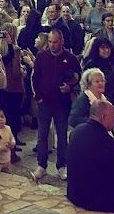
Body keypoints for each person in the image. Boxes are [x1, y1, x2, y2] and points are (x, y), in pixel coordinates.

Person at [31, 27, 80, 181]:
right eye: (50, 42)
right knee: (42, 135)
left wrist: (70, 87)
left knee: (62, 135)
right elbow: (35, 78)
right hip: (44, 102)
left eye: (55, 42)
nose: (52, 45)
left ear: (62, 42)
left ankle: (61, 165)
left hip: (62, 104)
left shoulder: (70, 58)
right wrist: (38, 96)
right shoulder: (41, 56)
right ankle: (41, 165)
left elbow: (79, 77)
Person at [68, 98, 114, 211]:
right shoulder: (111, 145)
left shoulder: (75, 132)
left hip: (75, 193)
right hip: (98, 200)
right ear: (103, 117)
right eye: (113, 115)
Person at [0, 107, 15, 173]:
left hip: (7, 159)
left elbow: (12, 137)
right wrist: (0, 148)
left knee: (9, 175)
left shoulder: (8, 128)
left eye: (2, 117)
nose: (0, 119)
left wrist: (12, 143)